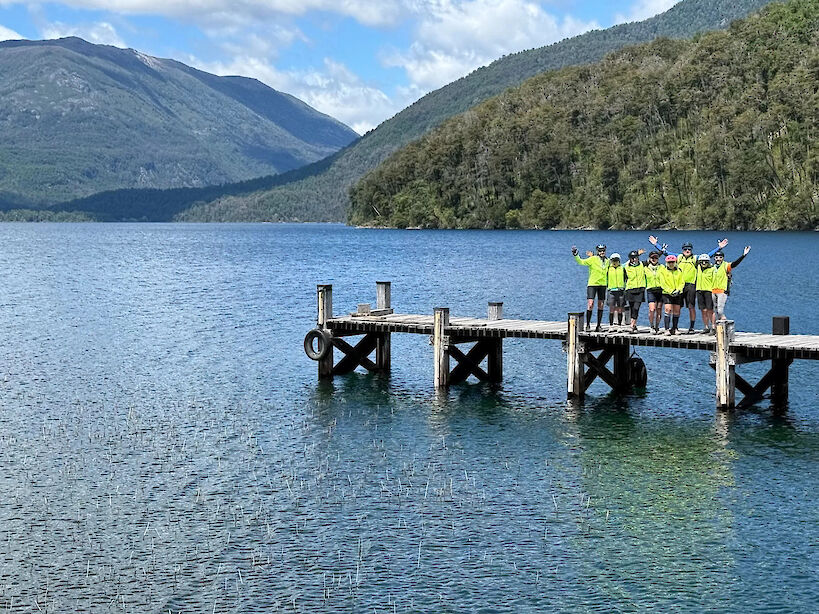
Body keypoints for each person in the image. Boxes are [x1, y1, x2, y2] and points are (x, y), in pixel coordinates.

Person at [648, 236, 729, 333]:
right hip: (679, 285)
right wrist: (656, 245)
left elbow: (707, 256)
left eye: (689, 249)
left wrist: (719, 248)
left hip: (690, 285)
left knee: (691, 307)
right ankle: (675, 327)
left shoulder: (695, 258)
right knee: (677, 307)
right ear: (682, 250)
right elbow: (666, 253)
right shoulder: (679, 257)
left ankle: (691, 327)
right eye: (685, 249)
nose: (687, 250)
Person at [572, 243, 608, 332]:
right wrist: (576, 255)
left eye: (603, 250)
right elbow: (581, 262)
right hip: (592, 284)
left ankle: (598, 326)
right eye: (600, 251)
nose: (602, 252)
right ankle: (587, 325)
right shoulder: (592, 259)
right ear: (597, 251)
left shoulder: (608, 261)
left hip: (603, 285)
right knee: (590, 304)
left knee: (601, 305)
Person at [712, 245, 751, 324]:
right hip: (713, 291)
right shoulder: (712, 267)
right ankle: (718, 329)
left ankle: (724, 325)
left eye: (720, 257)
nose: (718, 259)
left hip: (722, 291)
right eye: (716, 257)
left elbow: (735, 263)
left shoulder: (726, 265)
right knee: (715, 311)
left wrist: (743, 255)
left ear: (723, 258)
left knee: (720, 310)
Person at [658, 254, 685, 335]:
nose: (671, 264)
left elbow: (682, 282)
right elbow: (663, 283)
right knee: (668, 309)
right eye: (669, 262)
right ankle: (666, 329)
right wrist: (670, 291)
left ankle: (675, 328)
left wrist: (679, 290)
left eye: (673, 262)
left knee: (677, 311)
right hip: (667, 293)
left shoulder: (679, 271)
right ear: (667, 263)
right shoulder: (663, 271)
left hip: (677, 293)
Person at [624, 249, 647, 333]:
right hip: (630, 289)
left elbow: (653, 259)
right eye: (633, 258)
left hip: (640, 289)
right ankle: (634, 325)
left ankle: (632, 325)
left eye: (636, 257)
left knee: (636, 308)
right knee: (632, 308)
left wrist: (661, 250)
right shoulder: (626, 266)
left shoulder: (642, 264)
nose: (635, 259)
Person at [643, 250, 664, 334]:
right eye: (652, 258)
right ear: (649, 259)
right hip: (650, 290)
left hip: (660, 290)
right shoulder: (645, 267)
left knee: (659, 309)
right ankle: (651, 326)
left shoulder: (662, 267)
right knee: (652, 309)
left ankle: (657, 326)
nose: (654, 259)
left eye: (656, 257)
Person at [695, 254, 715, 333]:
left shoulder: (712, 269)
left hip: (709, 291)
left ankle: (713, 327)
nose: (703, 263)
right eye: (702, 262)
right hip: (699, 290)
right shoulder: (698, 268)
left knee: (710, 310)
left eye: (705, 262)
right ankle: (706, 327)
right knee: (703, 310)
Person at [606, 253, 625, 330]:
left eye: (616, 260)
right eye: (613, 260)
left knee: (620, 309)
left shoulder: (622, 268)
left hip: (620, 290)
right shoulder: (608, 269)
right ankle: (611, 325)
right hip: (611, 290)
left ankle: (619, 325)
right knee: (611, 308)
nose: (615, 262)